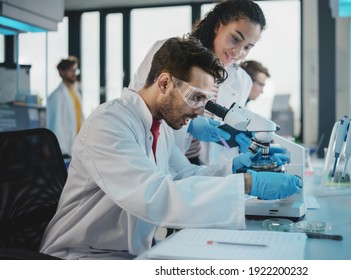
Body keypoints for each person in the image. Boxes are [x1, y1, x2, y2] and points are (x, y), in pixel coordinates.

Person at [39, 36, 302, 260]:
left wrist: (233, 168)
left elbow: (181, 177)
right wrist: (247, 184)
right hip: (78, 256)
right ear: (164, 82)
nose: (200, 111)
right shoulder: (110, 122)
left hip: (125, 253)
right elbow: (153, 195)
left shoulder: (160, 126)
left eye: (206, 101)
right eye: (196, 97)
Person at [130, 0, 266, 166]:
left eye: (247, 47)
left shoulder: (242, 80)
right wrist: (191, 126)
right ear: (218, 26)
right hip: (160, 156)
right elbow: (139, 106)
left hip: (203, 166)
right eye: (235, 39)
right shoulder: (169, 52)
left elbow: (227, 141)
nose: (238, 52)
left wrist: (238, 145)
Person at [46, 56, 84, 157]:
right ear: (62, 72)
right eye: (71, 70)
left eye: (75, 70)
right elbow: (55, 124)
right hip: (65, 149)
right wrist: (61, 150)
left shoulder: (75, 92)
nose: (74, 73)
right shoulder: (57, 96)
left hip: (78, 144)